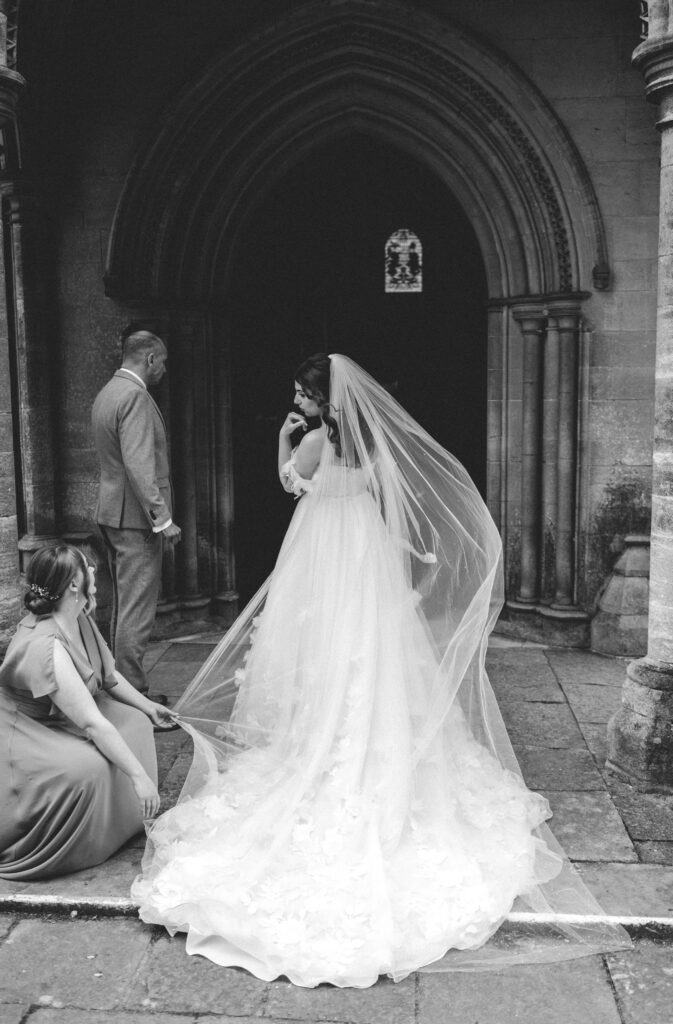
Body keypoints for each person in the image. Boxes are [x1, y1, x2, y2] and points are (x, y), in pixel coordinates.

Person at [132, 353, 630, 987]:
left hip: (320, 555)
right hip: (362, 557)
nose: (297, 402)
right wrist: (404, 554)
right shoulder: (373, 449)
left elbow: (290, 483)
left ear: (323, 401)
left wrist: (283, 438)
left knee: (320, 649)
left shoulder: (312, 441)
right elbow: (392, 505)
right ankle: (372, 737)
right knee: (372, 650)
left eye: (302, 395)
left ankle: (319, 739)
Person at [0, 544, 177, 881]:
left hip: (69, 711)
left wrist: (148, 706)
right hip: (29, 727)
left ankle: (124, 820)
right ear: (73, 584)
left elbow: (109, 675)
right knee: (88, 767)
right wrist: (139, 777)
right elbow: (92, 723)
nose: (94, 570)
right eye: (88, 566)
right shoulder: (46, 646)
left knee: (136, 723)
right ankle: (87, 842)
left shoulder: (78, 617)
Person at [92, 328, 181, 693]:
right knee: (137, 610)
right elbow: (139, 464)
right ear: (149, 359)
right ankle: (133, 693)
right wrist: (162, 520)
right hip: (135, 520)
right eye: (162, 362)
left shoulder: (108, 392)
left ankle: (117, 684)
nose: (163, 370)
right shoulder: (135, 397)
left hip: (113, 512)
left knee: (118, 606)